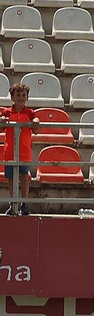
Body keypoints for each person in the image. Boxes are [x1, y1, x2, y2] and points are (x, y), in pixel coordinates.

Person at [0, 82, 39, 216]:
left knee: (24, 177)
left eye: (23, 95)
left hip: (24, 151)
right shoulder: (7, 112)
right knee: (11, 178)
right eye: (18, 95)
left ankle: (24, 203)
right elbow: (1, 128)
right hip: (10, 151)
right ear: (12, 97)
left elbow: (36, 128)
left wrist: (36, 122)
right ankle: (13, 203)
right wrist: (2, 121)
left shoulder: (30, 113)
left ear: (27, 97)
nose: (21, 98)